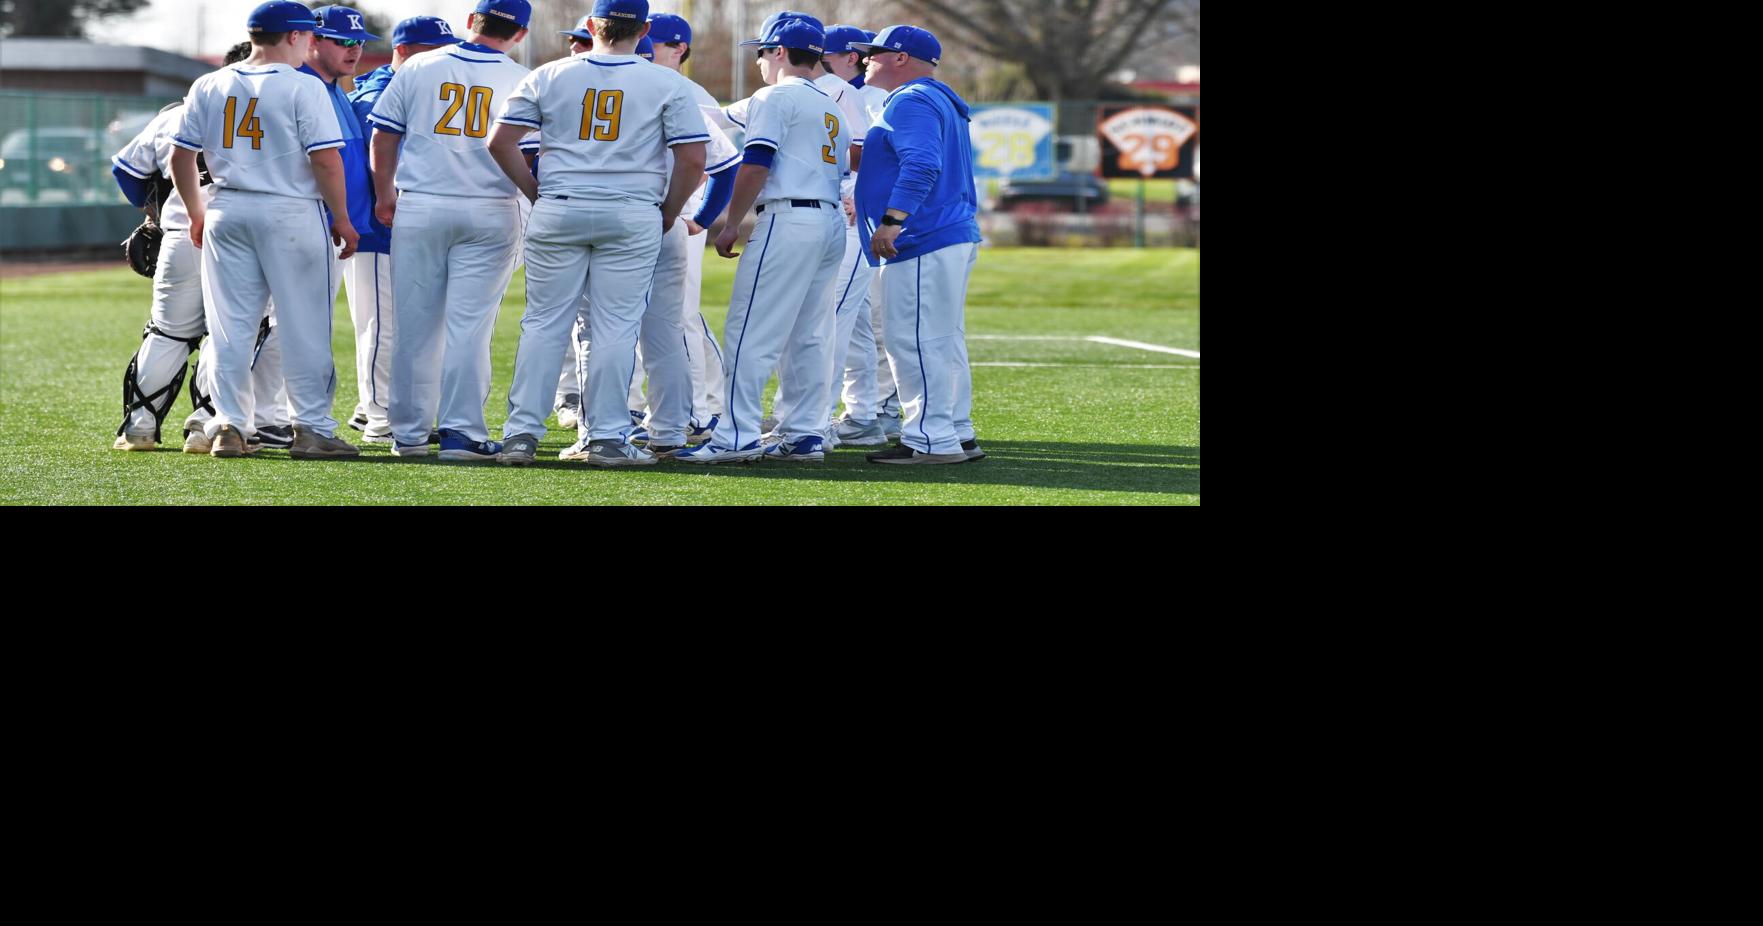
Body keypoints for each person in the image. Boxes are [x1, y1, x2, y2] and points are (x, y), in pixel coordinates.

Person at [487, 0, 708, 467]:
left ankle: (521, 435)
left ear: (591, 26)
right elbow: (692, 160)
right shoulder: (667, 80)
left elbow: (500, 141)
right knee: (615, 327)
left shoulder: (550, 74)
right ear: (644, 29)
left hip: (561, 206)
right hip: (631, 211)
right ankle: (607, 436)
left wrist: (535, 193)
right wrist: (668, 211)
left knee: (543, 324)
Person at [171, 0, 361, 459]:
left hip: (226, 209)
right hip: (291, 211)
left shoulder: (209, 82)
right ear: (294, 37)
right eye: (308, 36)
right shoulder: (303, 86)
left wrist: (197, 212)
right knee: (304, 325)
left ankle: (229, 426)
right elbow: (325, 159)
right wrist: (342, 216)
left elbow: (180, 156)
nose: (311, 44)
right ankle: (312, 429)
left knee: (230, 328)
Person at [367, 0, 535, 462]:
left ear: (470, 22)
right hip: (490, 207)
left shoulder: (419, 65)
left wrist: (384, 194)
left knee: (414, 325)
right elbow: (532, 151)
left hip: (419, 204)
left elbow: (383, 135)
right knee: (469, 328)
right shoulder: (522, 76)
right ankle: (461, 433)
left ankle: (408, 434)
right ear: (520, 33)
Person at [675, 17, 847, 464]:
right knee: (809, 332)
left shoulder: (775, 96)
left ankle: (735, 435)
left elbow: (755, 163)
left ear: (779, 52)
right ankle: (805, 432)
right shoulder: (829, 103)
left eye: (762, 51)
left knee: (750, 330)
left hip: (789, 219)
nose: (758, 60)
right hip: (827, 223)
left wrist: (731, 223)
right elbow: (718, 117)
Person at [109, 41, 267, 453]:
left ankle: (140, 427)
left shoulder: (178, 113)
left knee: (167, 333)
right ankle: (205, 425)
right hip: (242, 237)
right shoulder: (272, 108)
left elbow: (126, 172)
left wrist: (153, 210)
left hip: (181, 235)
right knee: (228, 334)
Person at [849, 25, 984, 463]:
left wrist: (892, 221)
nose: (866, 59)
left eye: (875, 52)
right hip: (946, 233)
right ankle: (956, 431)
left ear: (901, 58)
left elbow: (921, 164)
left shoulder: (910, 100)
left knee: (914, 340)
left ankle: (929, 439)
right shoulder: (934, 98)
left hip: (923, 235)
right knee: (942, 339)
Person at [342, 14, 462, 445]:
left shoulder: (416, 85)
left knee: (414, 325)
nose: (446, 59)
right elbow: (379, 149)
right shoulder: (381, 90)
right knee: (381, 326)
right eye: (437, 50)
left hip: (406, 224)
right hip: (376, 227)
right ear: (406, 50)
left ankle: (370, 408)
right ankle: (380, 418)